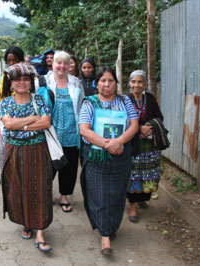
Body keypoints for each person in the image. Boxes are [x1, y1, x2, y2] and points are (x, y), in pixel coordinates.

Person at [79, 66, 138, 255]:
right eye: (102, 80)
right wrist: (107, 145)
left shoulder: (125, 101)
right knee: (100, 193)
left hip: (121, 153)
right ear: (97, 83)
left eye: (110, 80)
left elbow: (134, 125)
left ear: (116, 83)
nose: (106, 84)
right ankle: (105, 236)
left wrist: (119, 141)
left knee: (118, 192)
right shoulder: (90, 103)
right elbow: (84, 129)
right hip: (97, 155)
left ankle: (112, 226)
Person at [0, 63, 53, 252]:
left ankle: (40, 232)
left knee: (39, 188)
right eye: (17, 79)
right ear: (11, 82)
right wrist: (32, 120)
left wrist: (19, 124)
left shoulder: (38, 99)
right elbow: (8, 124)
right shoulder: (6, 102)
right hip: (14, 151)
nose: (22, 82)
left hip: (38, 150)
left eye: (25, 79)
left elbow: (46, 121)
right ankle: (25, 222)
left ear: (31, 81)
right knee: (18, 188)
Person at [37, 51, 84, 213]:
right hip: (50, 133)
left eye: (66, 63)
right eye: (59, 63)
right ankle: (46, 193)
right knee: (47, 166)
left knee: (69, 167)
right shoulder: (43, 81)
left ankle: (64, 196)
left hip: (72, 132)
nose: (62, 66)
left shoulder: (76, 83)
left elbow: (82, 105)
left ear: (70, 65)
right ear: (53, 64)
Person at [126, 70, 164, 222]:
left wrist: (148, 126)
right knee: (133, 174)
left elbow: (159, 117)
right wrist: (139, 128)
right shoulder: (125, 99)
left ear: (145, 84)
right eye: (133, 82)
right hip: (133, 144)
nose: (137, 85)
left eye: (140, 82)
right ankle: (132, 205)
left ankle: (142, 197)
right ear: (129, 83)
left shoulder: (150, 98)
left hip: (149, 145)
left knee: (147, 173)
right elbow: (123, 119)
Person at [0, 47, 25, 170]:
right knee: (6, 149)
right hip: (8, 116)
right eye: (9, 61)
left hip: (23, 115)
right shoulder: (5, 76)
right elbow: (2, 98)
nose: (11, 63)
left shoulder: (27, 75)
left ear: (20, 60)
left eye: (14, 60)